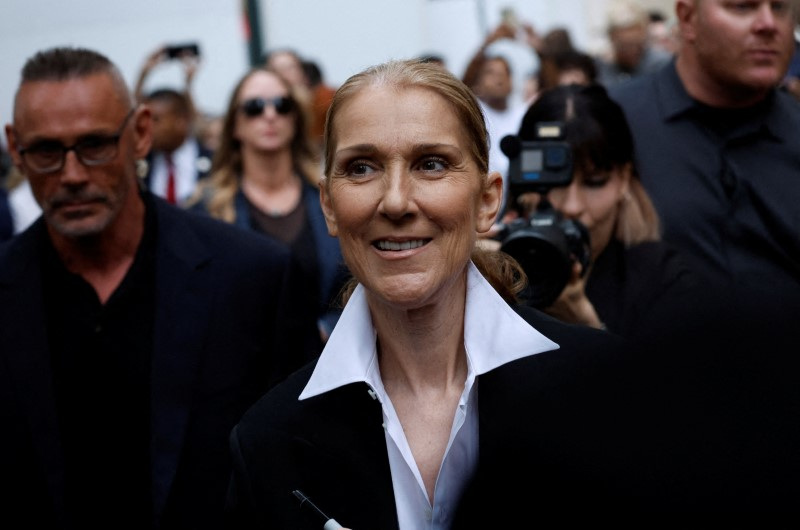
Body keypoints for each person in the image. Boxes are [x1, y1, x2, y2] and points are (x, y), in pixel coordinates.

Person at [224, 58, 625, 529]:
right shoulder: (267, 441)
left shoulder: (605, 390)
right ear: (329, 205)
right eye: (362, 168)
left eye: (431, 164)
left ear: (488, 200)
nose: (395, 201)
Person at [0, 46, 319, 529]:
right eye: (46, 152)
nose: (71, 174)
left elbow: (299, 464)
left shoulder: (250, 277)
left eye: (95, 145)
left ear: (141, 133)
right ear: (15, 148)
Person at [609, 0, 800, 315]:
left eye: (780, 7)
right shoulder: (614, 125)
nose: (769, 24)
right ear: (687, 18)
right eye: (743, 7)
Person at [508, 83, 697, 339]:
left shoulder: (662, 279)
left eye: (594, 182)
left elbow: (670, 379)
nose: (572, 206)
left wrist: (586, 325)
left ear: (624, 178)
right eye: (552, 183)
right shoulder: (494, 269)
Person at [189, 67, 347, 342]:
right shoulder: (206, 209)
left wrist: (327, 332)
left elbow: (357, 287)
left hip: (327, 360)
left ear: (296, 119)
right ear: (235, 124)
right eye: (254, 107)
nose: (270, 115)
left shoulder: (332, 197)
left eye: (282, 105)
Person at [462, 24, 528, 220]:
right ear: (478, 81)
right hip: (482, 209)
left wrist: (535, 46)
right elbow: (459, 85)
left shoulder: (524, 114)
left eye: (504, 73)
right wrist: (487, 43)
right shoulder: (475, 110)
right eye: (491, 73)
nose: (498, 78)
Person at [134, 46, 213, 205]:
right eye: (145, 120)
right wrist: (144, 73)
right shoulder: (140, 167)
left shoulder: (214, 163)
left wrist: (188, 84)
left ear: (181, 121)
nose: (147, 127)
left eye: (156, 120)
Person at [595, 0, 672, 88]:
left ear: (644, 34)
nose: (631, 51)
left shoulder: (660, 64)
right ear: (611, 38)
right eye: (624, 46)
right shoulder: (600, 67)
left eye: (636, 44)